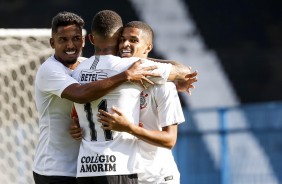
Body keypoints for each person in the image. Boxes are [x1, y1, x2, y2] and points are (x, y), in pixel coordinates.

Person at [32, 11, 163, 184]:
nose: (71, 45)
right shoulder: (50, 70)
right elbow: (80, 94)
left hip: (82, 167)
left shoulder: (84, 67)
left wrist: (144, 61)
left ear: (86, 40)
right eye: (63, 39)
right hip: (54, 169)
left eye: (76, 38)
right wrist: (126, 75)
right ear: (52, 42)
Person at [71, 10, 196, 184]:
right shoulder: (117, 75)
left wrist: (129, 128)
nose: (125, 45)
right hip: (128, 171)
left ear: (148, 47)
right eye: (122, 39)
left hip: (158, 177)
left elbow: (169, 140)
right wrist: (77, 124)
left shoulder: (164, 86)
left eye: (133, 40)